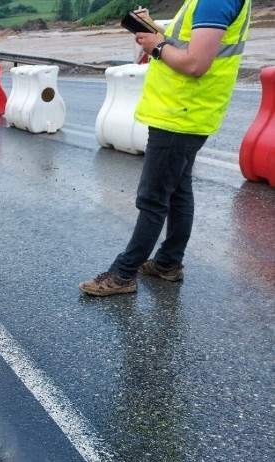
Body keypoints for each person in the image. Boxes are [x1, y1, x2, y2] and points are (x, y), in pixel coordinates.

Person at [79, 0, 252, 296]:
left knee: (153, 199)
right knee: (178, 190)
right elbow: (188, 44)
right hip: (187, 111)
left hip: (180, 113)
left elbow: (195, 64)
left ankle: (123, 274)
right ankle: (167, 263)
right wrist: (155, 31)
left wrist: (156, 47)